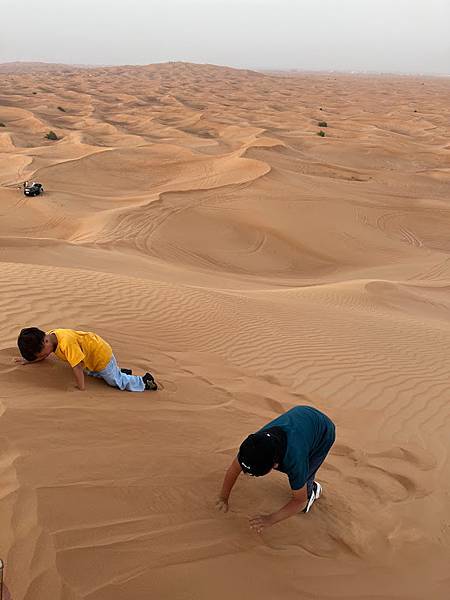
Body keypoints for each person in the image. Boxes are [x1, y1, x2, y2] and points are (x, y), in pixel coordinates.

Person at [216, 406, 335, 533]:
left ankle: (313, 491)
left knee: (304, 482)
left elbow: (300, 502)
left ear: (274, 466)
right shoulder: (253, 446)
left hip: (324, 432)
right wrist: (223, 497)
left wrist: (270, 519)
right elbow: (234, 469)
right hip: (301, 415)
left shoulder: (295, 461)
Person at [15, 327, 157, 392]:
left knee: (115, 382)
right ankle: (119, 371)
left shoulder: (66, 343)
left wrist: (80, 388)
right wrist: (29, 360)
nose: (42, 357)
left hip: (100, 356)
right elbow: (44, 354)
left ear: (45, 341)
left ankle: (144, 382)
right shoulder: (50, 338)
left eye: (39, 354)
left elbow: (76, 367)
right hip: (91, 356)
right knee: (90, 372)